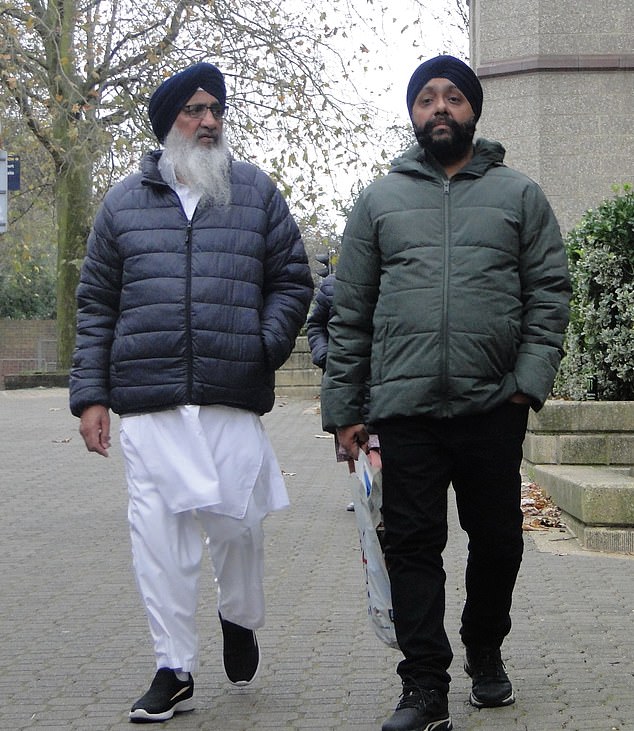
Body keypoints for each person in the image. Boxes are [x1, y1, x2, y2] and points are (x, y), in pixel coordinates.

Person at [320, 54, 571, 731]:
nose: (439, 108)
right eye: (426, 98)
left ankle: (485, 648)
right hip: (403, 410)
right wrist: (344, 410)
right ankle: (424, 684)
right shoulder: (379, 200)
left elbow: (549, 295)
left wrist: (528, 383)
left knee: (498, 542)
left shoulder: (519, 196)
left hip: (494, 404)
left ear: (473, 111)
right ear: (412, 114)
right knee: (412, 546)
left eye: (452, 97)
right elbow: (351, 312)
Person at [69, 61, 313, 723]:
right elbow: (95, 304)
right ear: (167, 123)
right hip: (148, 402)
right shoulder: (122, 204)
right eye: (194, 110)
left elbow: (294, 280)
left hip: (229, 395)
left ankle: (239, 615)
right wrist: (91, 394)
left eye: (216, 110)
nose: (209, 121)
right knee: (160, 538)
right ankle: (173, 667)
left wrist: (261, 341)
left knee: (238, 528)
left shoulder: (255, 193)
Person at [306, 271, 381, 511]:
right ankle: (361, 490)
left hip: (382, 373)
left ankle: (380, 493)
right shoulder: (331, 285)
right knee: (350, 441)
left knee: (378, 440)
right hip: (345, 375)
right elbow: (315, 324)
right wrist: (325, 356)